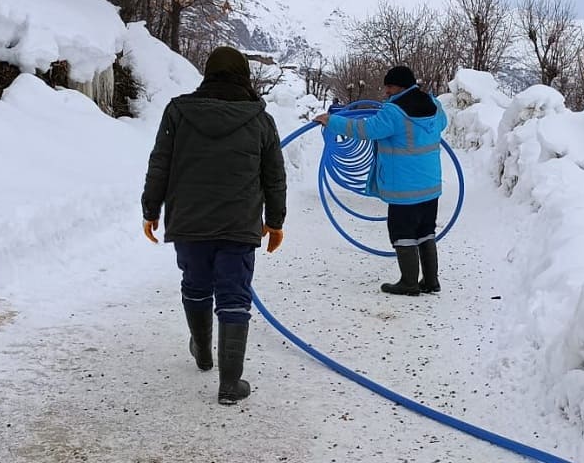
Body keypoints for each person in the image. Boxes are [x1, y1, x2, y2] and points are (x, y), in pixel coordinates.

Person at [140, 46, 287, 405]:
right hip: (239, 224)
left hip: (189, 220)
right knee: (234, 294)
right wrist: (275, 222)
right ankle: (229, 384)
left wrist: (150, 210)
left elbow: (160, 163)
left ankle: (203, 353)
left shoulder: (178, 112)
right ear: (244, 77)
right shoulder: (260, 119)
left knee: (195, 284)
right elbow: (274, 176)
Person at [315, 65, 447, 296]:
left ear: (401, 86)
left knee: (402, 233)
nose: (385, 91)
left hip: (404, 188)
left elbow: (366, 129)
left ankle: (408, 283)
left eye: (389, 86)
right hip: (430, 184)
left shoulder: (394, 111)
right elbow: (442, 124)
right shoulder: (434, 105)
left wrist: (332, 121)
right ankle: (430, 281)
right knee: (426, 231)